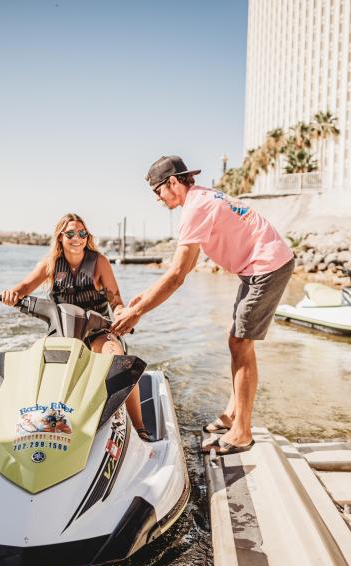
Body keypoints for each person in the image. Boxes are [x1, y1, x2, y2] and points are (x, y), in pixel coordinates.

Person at [111, 156, 294, 455]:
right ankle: (233, 414)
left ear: (172, 183)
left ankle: (242, 432)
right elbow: (181, 268)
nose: (157, 199)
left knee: (241, 342)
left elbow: (177, 275)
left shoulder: (196, 208)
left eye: (157, 191)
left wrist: (136, 313)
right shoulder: (201, 199)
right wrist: (142, 298)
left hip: (268, 266)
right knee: (235, 338)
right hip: (258, 266)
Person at [0, 213, 150, 441]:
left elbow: (116, 301)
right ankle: (36, 420)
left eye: (82, 233)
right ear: (60, 237)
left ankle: (140, 429)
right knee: (39, 365)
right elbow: (23, 287)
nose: (77, 238)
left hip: (99, 331)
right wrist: (12, 294)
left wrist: (121, 314)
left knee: (120, 361)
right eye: (70, 233)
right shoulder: (49, 264)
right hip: (63, 333)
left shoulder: (99, 262)